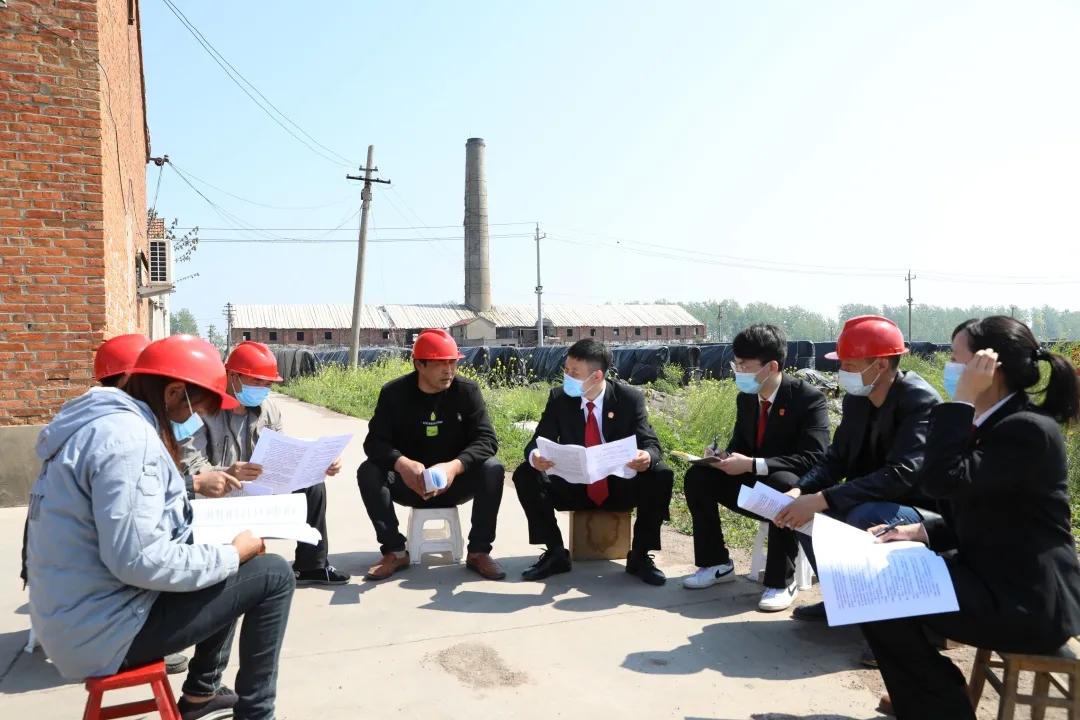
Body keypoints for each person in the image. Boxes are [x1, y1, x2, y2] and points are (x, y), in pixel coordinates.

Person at [26, 335, 294, 720]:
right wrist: (232, 553)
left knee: (229, 567)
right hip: (103, 632)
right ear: (173, 392)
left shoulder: (102, 426)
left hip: (80, 617)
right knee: (272, 574)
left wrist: (221, 553)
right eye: (197, 408)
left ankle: (202, 693)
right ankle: (256, 715)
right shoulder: (129, 441)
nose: (196, 418)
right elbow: (139, 560)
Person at [862, 316, 1080, 719]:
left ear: (988, 367)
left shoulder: (1025, 430)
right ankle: (931, 695)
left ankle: (940, 705)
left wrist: (959, 402)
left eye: (956, 357)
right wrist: (920, 531)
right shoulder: (997, 422)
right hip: (997, 578)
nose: (950, 366)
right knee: (884, 579)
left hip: (1025, 602)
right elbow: (983, 509)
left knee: (882, 598)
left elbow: (941, 482)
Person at [774, 315, 941, 622]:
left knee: (862, 517)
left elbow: (902, 475)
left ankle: (888, 621)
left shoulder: (920, 401)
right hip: (868, 494)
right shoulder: (858, 399)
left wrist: (824, 498)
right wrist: (802, 490)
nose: (842, 373)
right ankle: (842, 597)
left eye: (849, 365)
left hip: (918, 507)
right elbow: (835, 458)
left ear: (879, 365)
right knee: (802, 514)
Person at [683, 324, 829, 611]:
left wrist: (752, 464)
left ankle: (780, 580)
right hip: (755, 486)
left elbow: (814, 457)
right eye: (735, 364)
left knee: (783, 484)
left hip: (793, 491)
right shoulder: (747, 398)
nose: (738, 371)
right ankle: (716, 563)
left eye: (744, 365)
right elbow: (742, 445)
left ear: (771, 366)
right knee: (699, 476)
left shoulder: (809, 399)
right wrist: (722, 457)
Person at [181, 341, 349, 587]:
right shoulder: (200, 409)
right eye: (257, 382)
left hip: (260, 486)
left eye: (267, 384)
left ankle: (312, 566)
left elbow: (282, 450)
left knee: (313, 486)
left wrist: (318, 463)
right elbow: (190, 465)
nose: (263, 389)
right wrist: (226, 472)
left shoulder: (269, 409)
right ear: (233, 376)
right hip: (218, 491)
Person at [513, 339, 675, 586]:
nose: (566, 376)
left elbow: (652, 444)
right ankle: (555, 552)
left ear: (597, 375)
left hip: (617, 485)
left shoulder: (628, 398)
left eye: (574, 372)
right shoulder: (559, 398)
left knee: (661, 473)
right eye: (565, 370)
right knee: (526, 472)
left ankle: (640, 556)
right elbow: (536, 442)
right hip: (573, 485)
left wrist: (647, 457)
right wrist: (536, 457)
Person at [357, 328, 506, 581]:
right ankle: (394, 550)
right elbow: (374, 442)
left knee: (493, 468)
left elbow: (487, 440)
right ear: (419, 364)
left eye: (452, 362)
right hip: (407, 484)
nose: (449, 370)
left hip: (454, 483)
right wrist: (402, 464)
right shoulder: (394, 394)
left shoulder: (467, 392)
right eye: (440, 364)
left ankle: (479, 551)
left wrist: (453, 467)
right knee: (368, 471)